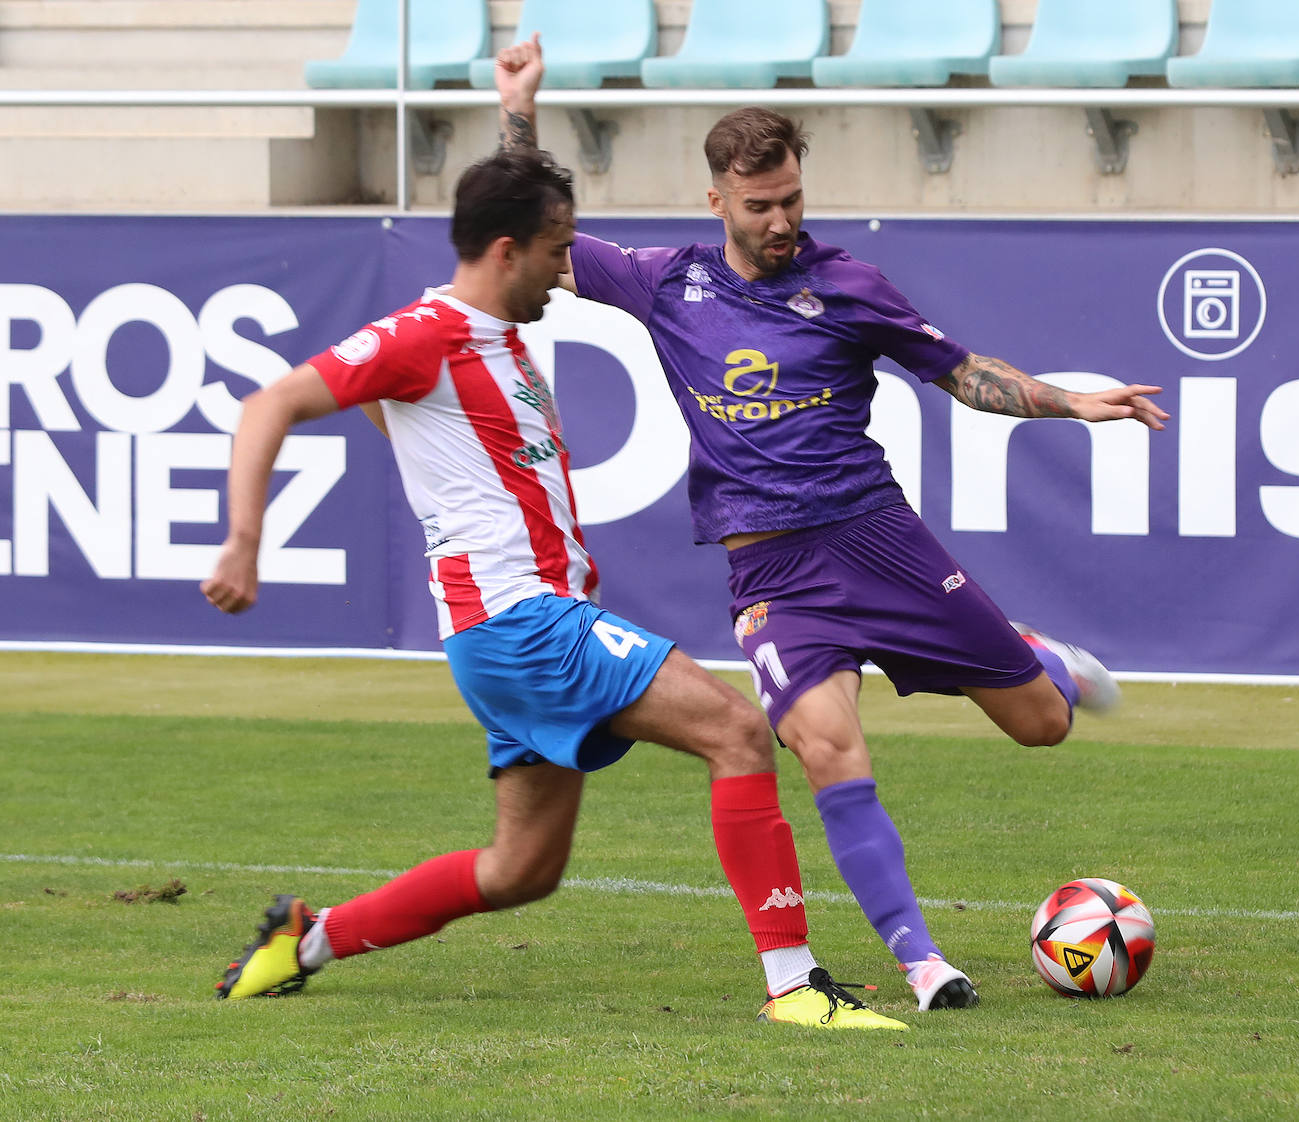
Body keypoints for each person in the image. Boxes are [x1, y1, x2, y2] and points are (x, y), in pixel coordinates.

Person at [496, 37, 1170, 1012]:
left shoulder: (849, 287)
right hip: (774, 576)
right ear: (717, 201)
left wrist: (1072, 402)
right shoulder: (664, 282)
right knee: (826, 750)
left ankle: (1042, 660)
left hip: (880, 545)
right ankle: (923, 963)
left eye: (792, 200)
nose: (780, 221)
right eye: (760, 204)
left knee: (1042, 727)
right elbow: (539, 238)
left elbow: (964, 376)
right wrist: (517, 110)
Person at [200, 148, 907, 1031]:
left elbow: (420, 397)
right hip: (521, 621)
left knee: (520, 870)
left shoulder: (496, 338)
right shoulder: (426, 335)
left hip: (508, 632)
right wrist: (242, 543)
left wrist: (519, 116)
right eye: (554, 248)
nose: (564, 268)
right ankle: (795, 986)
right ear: (506, 251)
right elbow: (270, 404)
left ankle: (304, 941)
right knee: (736, 731)